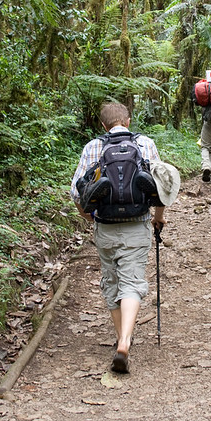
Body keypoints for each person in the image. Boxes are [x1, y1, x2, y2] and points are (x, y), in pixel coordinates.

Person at [70, 102, 166, 374]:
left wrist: (87, 215)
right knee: (132, 281)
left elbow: (77, 192)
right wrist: (158, 216)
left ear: (102, 125)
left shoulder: (93, 148)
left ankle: (122, 339)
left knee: (111, 281)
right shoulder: (145, 144)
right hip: (137, 223)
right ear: (128, 120)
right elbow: (162, 187)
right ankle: (125, 341)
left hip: (106, 226)